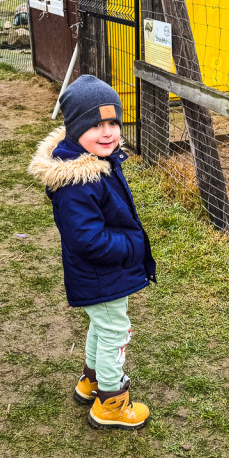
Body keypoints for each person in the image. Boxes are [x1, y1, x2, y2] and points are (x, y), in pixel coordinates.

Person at [27, 75, 156, 429]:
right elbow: (88, 239)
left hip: (102, 273)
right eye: (95, 124)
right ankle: (111, 403)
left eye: (113, 122)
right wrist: (133, 246)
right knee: (116, 332)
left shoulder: (99, 162)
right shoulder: (77, 183)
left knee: (102, 325)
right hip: (103, 271)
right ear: (75, 128)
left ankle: (92, 380)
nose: (108, 132)